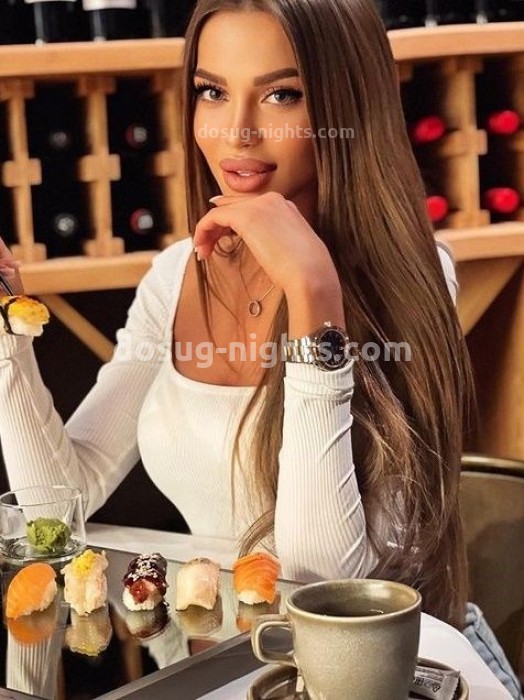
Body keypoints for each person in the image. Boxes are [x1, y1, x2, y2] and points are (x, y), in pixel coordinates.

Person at [0, 0, 492, 660]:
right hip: (198, 673)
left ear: (348, 107)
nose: (238, 133)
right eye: (213, 92)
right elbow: (55, 511)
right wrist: (6, 338)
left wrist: (313, 292)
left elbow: (326, 584)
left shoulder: (414, 275)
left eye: (282, 95)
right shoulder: (176, 275)